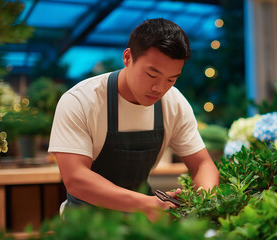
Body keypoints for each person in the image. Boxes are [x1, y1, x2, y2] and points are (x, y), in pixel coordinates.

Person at [48, 18, 220, 221]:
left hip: (141, 225)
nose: (160, 88)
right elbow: (76, 179)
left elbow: (202, 165)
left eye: (171, 79)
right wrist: (147, 204)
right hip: (84, 225)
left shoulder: (173, 103)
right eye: (151, 74)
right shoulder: (81, 101)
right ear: (128, 58)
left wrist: (202, 200)